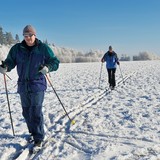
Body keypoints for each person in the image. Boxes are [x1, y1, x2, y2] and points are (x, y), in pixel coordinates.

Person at [0, 25, 60, 149]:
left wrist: (48, 68)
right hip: (23, 85)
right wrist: (5, 67)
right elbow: (10, 61)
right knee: (26, 112)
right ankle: (33, 132)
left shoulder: (43, 48)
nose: (28, 38)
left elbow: (55, 61)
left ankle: (39, 138)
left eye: (30, 35)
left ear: (35, 35)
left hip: (37, 84)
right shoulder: (17, 48)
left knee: (36, 111)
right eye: (25, 36)